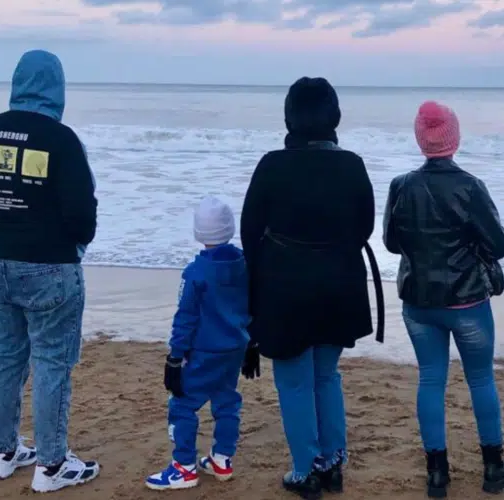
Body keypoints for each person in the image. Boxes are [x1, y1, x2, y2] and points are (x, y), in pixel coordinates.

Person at [0, 49, 100, 493]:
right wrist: (69, 240)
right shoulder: (60, 138)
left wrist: (6, 221)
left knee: (5, 358)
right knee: (52, 362)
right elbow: (82, 211)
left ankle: (2, 454)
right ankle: (52, 465)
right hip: (51, 267)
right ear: (56, 88)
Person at [239, 76, 384, 499]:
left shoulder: (271, 165)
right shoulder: (353, 165)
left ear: (289, 117)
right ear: (333, 116)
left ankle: (306, 470)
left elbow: (250, 236)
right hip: (340, 284)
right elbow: (364, 228)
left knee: (295, 381)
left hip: (286, 288)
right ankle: (333, 462)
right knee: (326, 375)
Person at [382, 101, 504, 498]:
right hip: (467, 301)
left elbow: (391, 242)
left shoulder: (401, 186)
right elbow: (499, 244)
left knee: (430, 379)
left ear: (421, 140)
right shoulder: (470, 186)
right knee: (480, 378)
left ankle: (437, 473)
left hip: (419, 301)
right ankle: (493, 466)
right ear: (453, 139)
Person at [144, 196, 252, 491]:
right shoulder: (245, 264)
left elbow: (186, 319)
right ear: (230, 228)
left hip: (203, 350)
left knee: (182, 405)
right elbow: (251, 305)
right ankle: (222, 458)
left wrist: (175, 357)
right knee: (226, 400)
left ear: (198, 232)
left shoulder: (196, 273)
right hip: (235, 347)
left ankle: (184, 467)